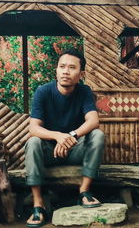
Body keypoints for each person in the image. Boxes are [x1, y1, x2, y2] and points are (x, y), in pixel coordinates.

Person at [25, 49, 105, 227]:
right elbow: (33, 128)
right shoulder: (43, 92)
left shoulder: (84, 91)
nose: (65, 71)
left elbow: (93, 121)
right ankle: (38, 205)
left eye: (71, 67)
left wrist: (70, 136)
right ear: (56, 70)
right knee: (33, 142)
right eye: (61, 67)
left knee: (98, 135)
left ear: (81, 74)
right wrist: (57, 136)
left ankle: (84, 192)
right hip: (48, 153)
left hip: (75, 150)